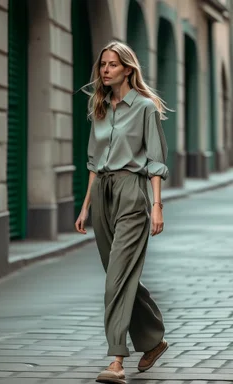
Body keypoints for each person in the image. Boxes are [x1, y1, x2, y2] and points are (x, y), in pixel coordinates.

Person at [75, 41, 169, 384]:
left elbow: (156, 161)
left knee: (115, 280)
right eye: (103, 65)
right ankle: (153, 340)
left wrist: (156, 206)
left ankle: (115, 360)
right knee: (120, 276)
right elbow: (93, 164)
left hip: (132, 193)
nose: (105, 70)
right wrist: (86, 205)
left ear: (128, 69)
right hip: (102, 195)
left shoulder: (144, 107)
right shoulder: (99, 107)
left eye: (112, 65)